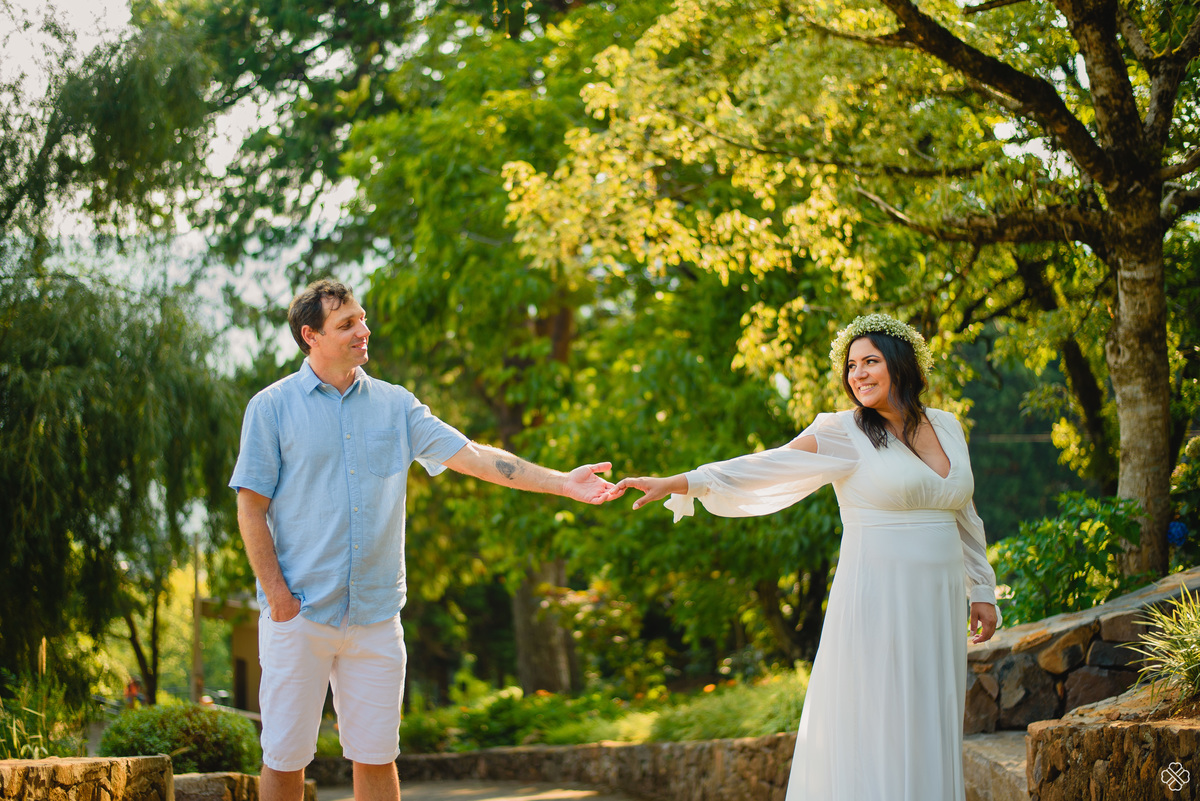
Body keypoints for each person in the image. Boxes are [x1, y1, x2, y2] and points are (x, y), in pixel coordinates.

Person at [229, 279, 616, 801]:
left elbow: (475, 457)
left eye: (362, 318)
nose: (364, 331)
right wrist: (277, 595)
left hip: (375, 618)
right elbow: (250, 505)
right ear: (310, 336)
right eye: (347, 324)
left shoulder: (396, 406)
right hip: (299, 615)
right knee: (284, 757)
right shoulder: (271, 408)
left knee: (377, 756)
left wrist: (562, 482)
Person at [612, 313, 1001, 801]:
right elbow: (766, 466)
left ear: (901, 364)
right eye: (851, 365)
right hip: (877, 595)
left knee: (931, 713)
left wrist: (981, 590)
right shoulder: (844, 432)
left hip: (938, 599)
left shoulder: (947, 425)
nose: (857, 374)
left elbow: (965, 513)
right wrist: (683, 481)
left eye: (870, 361)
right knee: (878, 715)